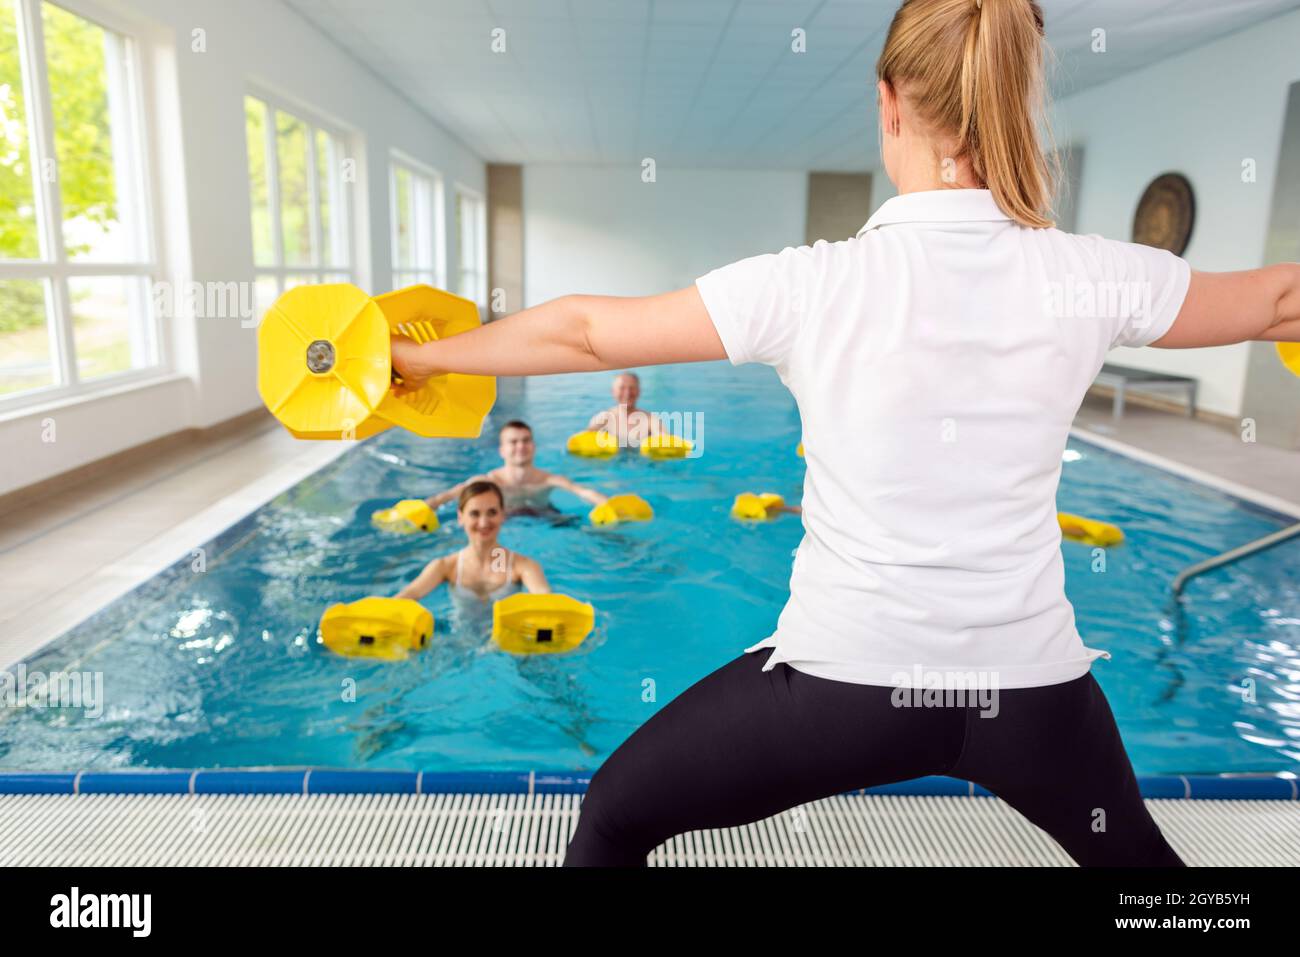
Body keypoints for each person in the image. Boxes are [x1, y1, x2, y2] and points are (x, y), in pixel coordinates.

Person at [391, 0, 1299, 867]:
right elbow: (1278, 301)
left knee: (616, 813)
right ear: (1013, 102)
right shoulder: (1096, 275)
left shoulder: (813, 283)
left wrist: (419, 358)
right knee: (1157, 882)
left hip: (843, 691)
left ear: (886, 101)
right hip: (1033, 695)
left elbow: (584, 330)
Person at [396, 481, 549, 617]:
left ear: (503, 515)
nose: (483, 523)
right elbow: (409, 595)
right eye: (474, 514)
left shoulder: (523, 566)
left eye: (492, 512)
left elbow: (545, 600)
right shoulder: (446, 567)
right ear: (460, 517)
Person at [423, 420, 608, 516]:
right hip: (504, 519)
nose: (521, 446)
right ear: (502, 450)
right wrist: (422, 509)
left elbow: (583, 492)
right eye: (513, 442)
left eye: (526, 441)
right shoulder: (490, 482)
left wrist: (610, 506)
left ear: (533, 446)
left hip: (545, 516)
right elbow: (446, 497)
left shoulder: (549, 480)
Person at [585, 371, 666, 449]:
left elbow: (663, 438)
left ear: (638, 391)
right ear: (613, 391)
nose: (627, 393)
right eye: (622, 388)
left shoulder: (651, 420)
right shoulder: (603, 419)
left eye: (632, 388)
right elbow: (586, 439)